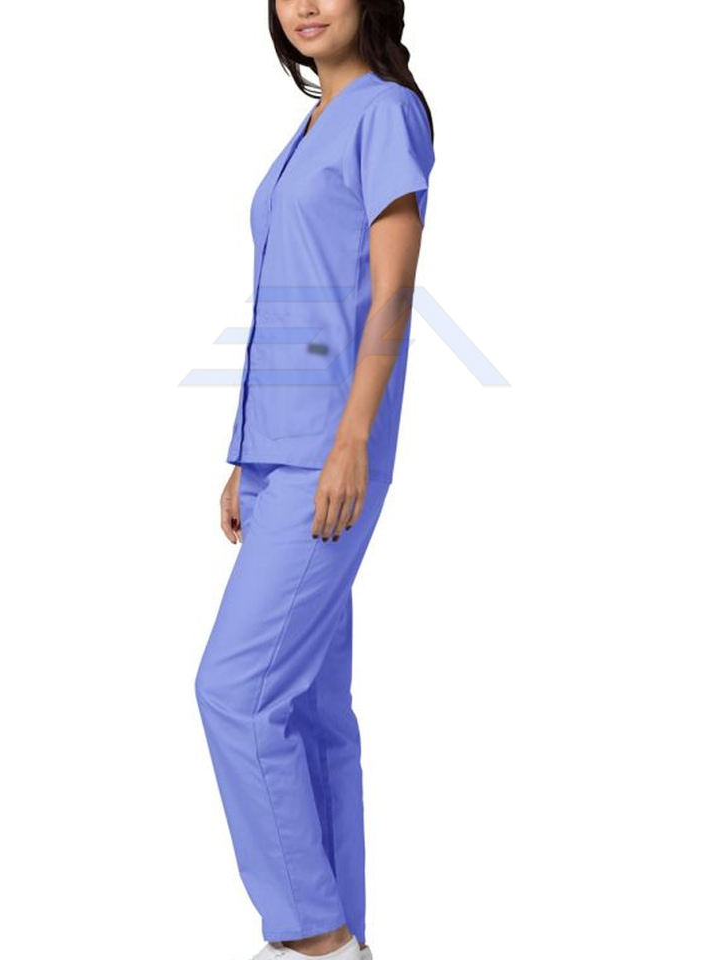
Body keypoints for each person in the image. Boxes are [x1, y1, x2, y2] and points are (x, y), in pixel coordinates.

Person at [195, 2, 435, 957]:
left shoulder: (383, 112)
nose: (304, 3)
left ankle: (314, 941)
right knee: (308, 710)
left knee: (234, 691)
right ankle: (349, 940)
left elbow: (393, 289)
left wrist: (352, 440)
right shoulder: (311, 127)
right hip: (276, 454)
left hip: (328, 455)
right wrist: (241, 453)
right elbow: (292, 298)